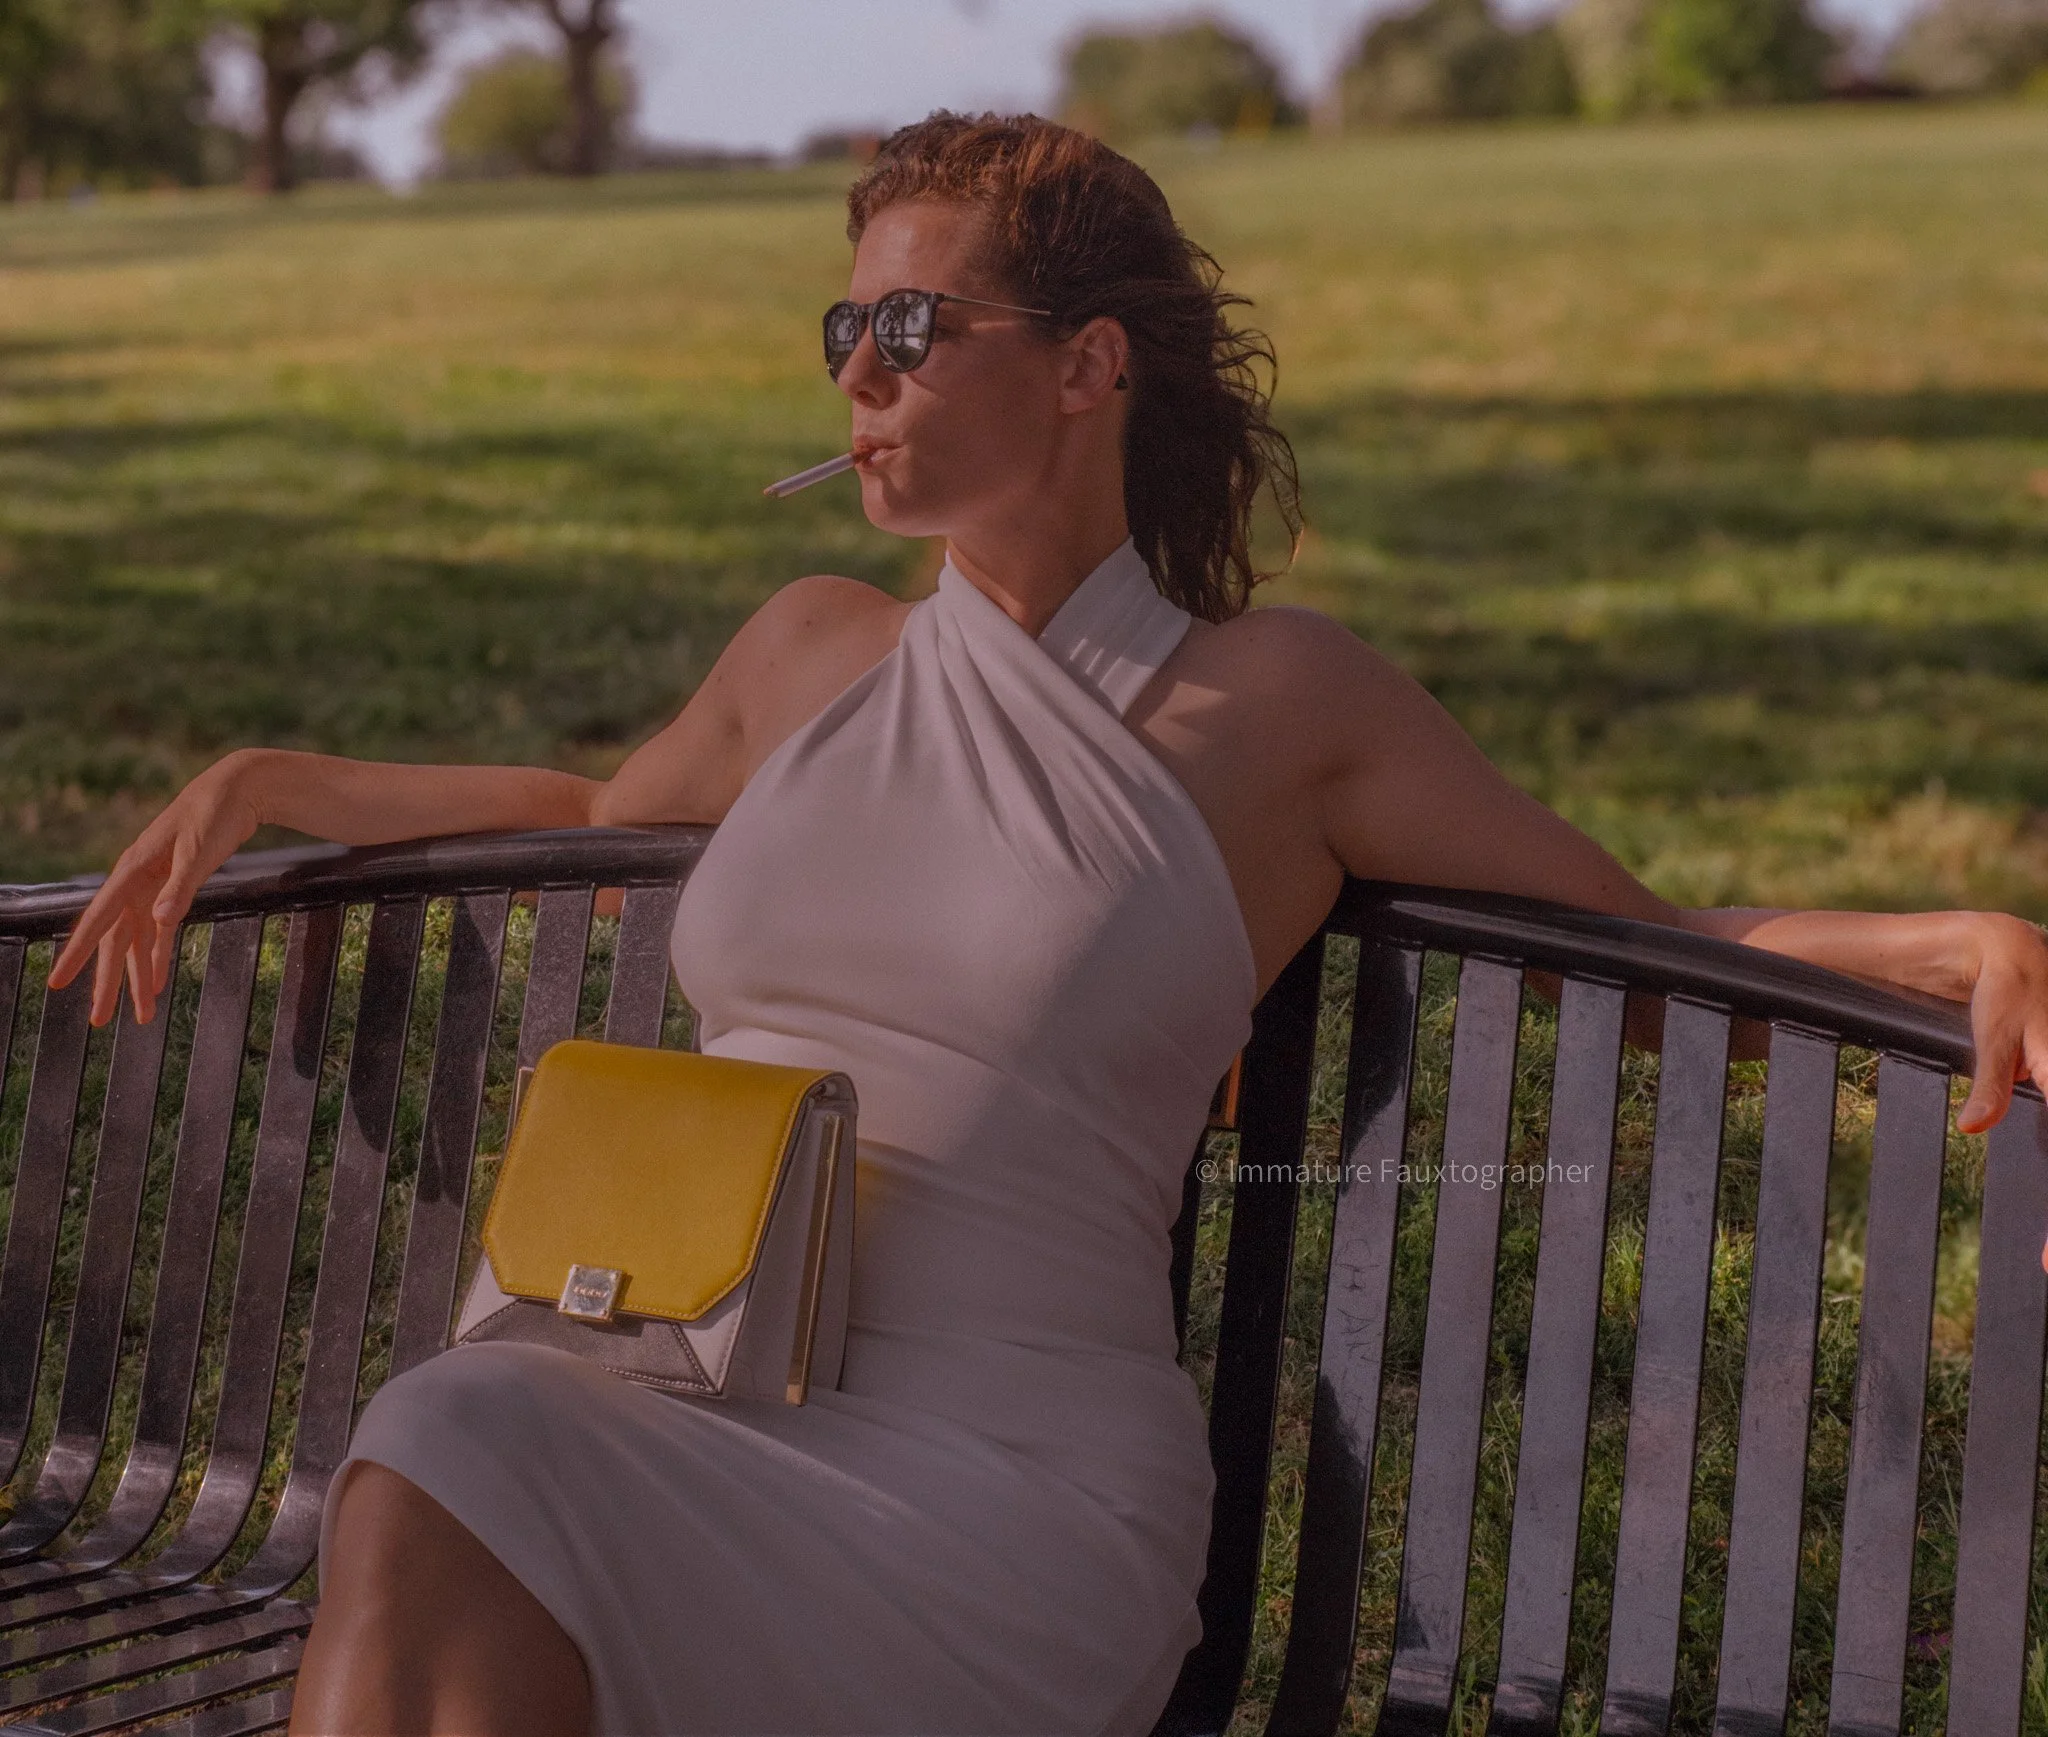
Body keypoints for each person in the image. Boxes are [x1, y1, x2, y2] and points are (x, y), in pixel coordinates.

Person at [47, 111, 2048, 1737]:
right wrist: (270, 778)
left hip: (1006, 1487)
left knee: (460, 1453)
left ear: (1088, 366)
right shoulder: (807, 650)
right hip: (683, 1397)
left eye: (914, 326)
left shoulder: (1275, 710)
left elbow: (1652, 951)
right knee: (454, 1438)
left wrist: (1945, 941)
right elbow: (594, 810)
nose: (859, 371)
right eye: (843, 326)